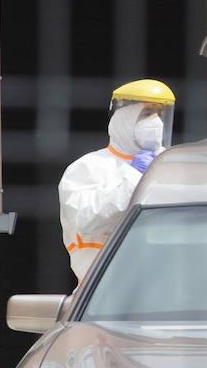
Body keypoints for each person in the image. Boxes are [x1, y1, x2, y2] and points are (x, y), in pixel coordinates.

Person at [59, 79, 176, 282]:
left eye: (160, 114)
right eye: (147, 113)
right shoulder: (88, 167)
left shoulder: (173, 165)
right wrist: (135, 176)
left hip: (166, 287)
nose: (156, 122)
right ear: (124, 118)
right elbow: (86, 221)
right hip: (105, 289)